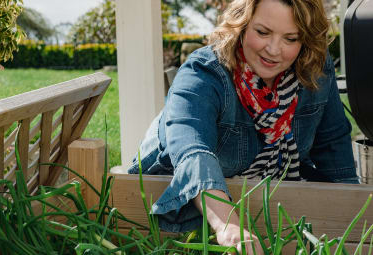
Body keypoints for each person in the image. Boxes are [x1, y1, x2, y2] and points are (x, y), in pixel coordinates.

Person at [127, 0, 359, 253]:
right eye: (262, 32)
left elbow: (333, 145)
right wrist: (229, 226)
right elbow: (194, 153)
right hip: (183, 207)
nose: (273, 49)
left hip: (267, 200)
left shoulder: (314, 67)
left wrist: (354, 222)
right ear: (242, 25)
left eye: (290, 38)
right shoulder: (203, 72)